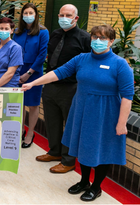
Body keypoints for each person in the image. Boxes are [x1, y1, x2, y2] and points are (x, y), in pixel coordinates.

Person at [22, 24, 134, 202]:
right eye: (95, 37)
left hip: (105, 113)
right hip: (81, 109)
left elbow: (127, 97)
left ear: (111, 41)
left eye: (103, 38)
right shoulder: (82, 59)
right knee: (81, 146)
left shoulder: (120, 65)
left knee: (101, 149)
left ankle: (96, 187)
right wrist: (33, 83)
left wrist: (121, 123)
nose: (98, 41)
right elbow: (58, 73)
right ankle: (83, 181)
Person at [35, 4, 91, 173]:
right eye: (62, 15)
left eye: (68, 15)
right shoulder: (55, 33)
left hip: (71, 88)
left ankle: (68, 161)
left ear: (76, 18)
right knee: (52, 121)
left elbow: (89, 63)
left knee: (70, 125)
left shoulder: (84, 38)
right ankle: (54, 152)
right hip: (51, 85)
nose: (64, 18)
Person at [13, 3, 49, 148]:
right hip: (17, 70)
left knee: (33, 105)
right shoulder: (17, 31)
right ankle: (21, 129)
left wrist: (29, 73)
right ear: (22, 15)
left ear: (36, 15)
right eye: (25, 13)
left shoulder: (43, 31)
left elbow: (42, 55)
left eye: (30, 13)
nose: (28, 16)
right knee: (19, 103)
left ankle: (30, 134)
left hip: (34, 72)